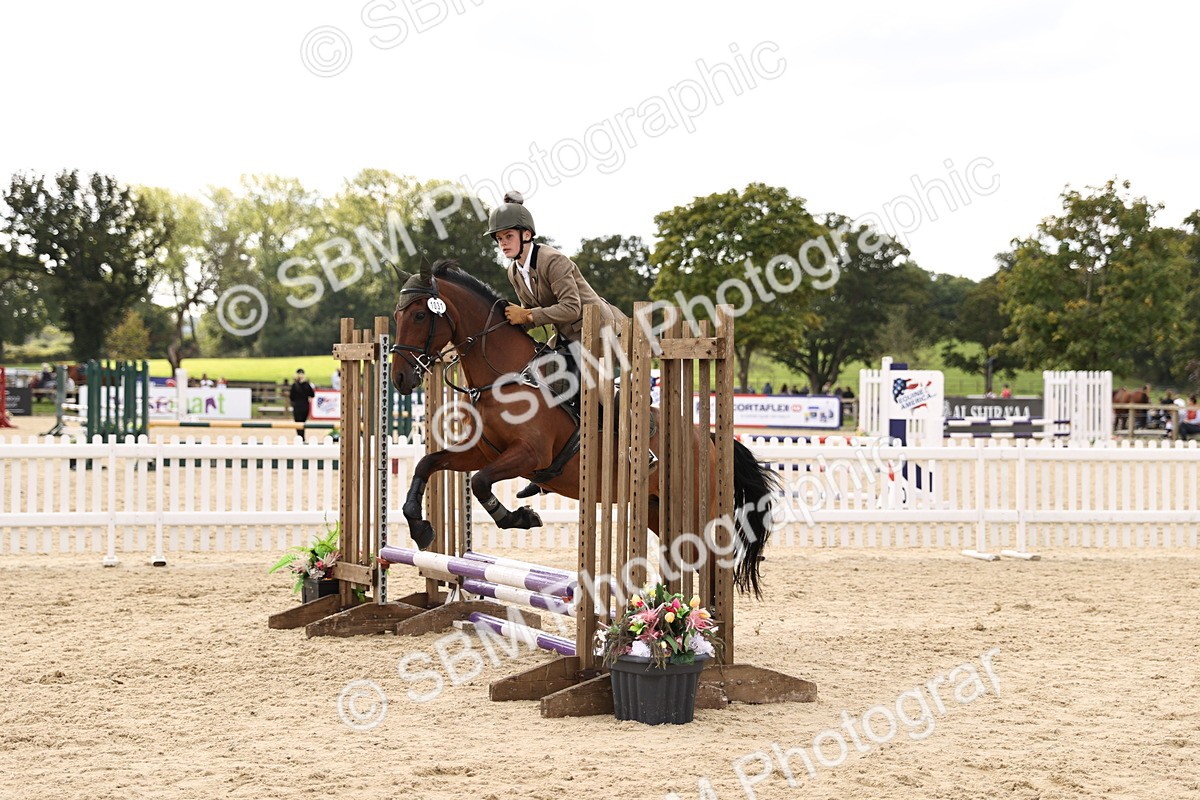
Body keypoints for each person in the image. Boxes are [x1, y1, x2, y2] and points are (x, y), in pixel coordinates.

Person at [486, 190, 624, 497]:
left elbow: (572, 307)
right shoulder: (514, 271)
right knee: (534, 378)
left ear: (527, 235)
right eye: (499, 239)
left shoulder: (553, 260)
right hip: (567, 335)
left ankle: (635, 446)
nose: (503, 243)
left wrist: (528, 316)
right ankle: (551, 462)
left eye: (508, 236)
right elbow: (532, 317)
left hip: (596, 328)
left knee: (595, 386)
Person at [289, 369, 316, 441]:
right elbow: (312, 394)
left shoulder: (294, 385)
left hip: (297, 406)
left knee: (298, 422)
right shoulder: (307, 385)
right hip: (305, 406)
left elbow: (291, 397)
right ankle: (302, 437)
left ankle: (300, 437)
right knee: (303, 423)